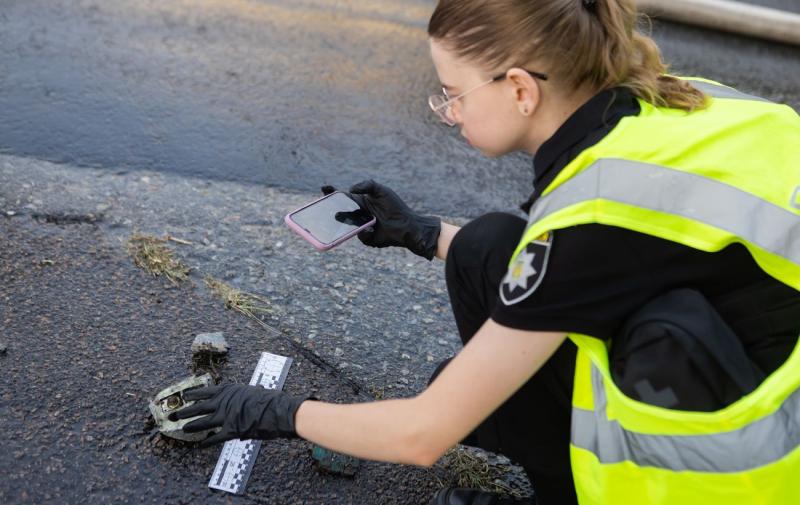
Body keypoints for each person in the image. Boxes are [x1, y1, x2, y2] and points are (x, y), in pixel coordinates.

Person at [173, 1, 800, 503]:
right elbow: (583, 268)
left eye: (453, 93)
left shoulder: (597, 214)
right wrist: (420, 233)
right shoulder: (670, 101)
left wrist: (273, 411)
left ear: (521, 89)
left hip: (765, 461)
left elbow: (423, 433)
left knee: (474, 390)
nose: (447, 112)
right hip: (759, 350)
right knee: (486, 244)